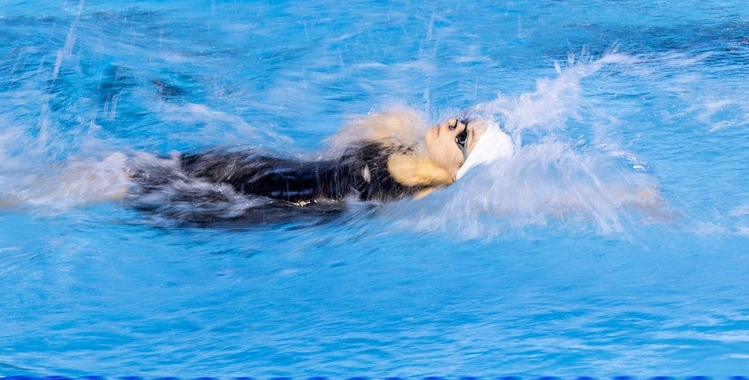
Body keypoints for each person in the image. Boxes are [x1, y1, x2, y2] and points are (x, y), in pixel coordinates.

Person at [125, 110, 495, 224]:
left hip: (262, 208)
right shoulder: (397, 131)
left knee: (126, 192)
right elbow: (331, 150)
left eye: (463, 139)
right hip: (259, 167)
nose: (453, 126)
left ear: (457, 174)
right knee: (127, 168)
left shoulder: (418, 200)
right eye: (463, 120)